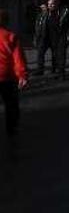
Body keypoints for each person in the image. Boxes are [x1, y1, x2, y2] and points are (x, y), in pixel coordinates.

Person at [0, 9, 27, 138]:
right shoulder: (11, 36)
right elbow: (18, 59)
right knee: (11, 103)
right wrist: (22, 75)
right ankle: (11, 128)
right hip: (7, 76)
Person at [33, 0, 69, 79]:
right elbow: (38, 25)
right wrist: (37, 37)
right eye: (49, 4)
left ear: (57, 4)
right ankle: (40, 69)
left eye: (52, 4)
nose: (50, 6)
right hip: (46, 36)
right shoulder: (44, 13)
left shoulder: (64, 12)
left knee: (59, 55)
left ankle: (60, 72)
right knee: (40, 52)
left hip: (59, 36)